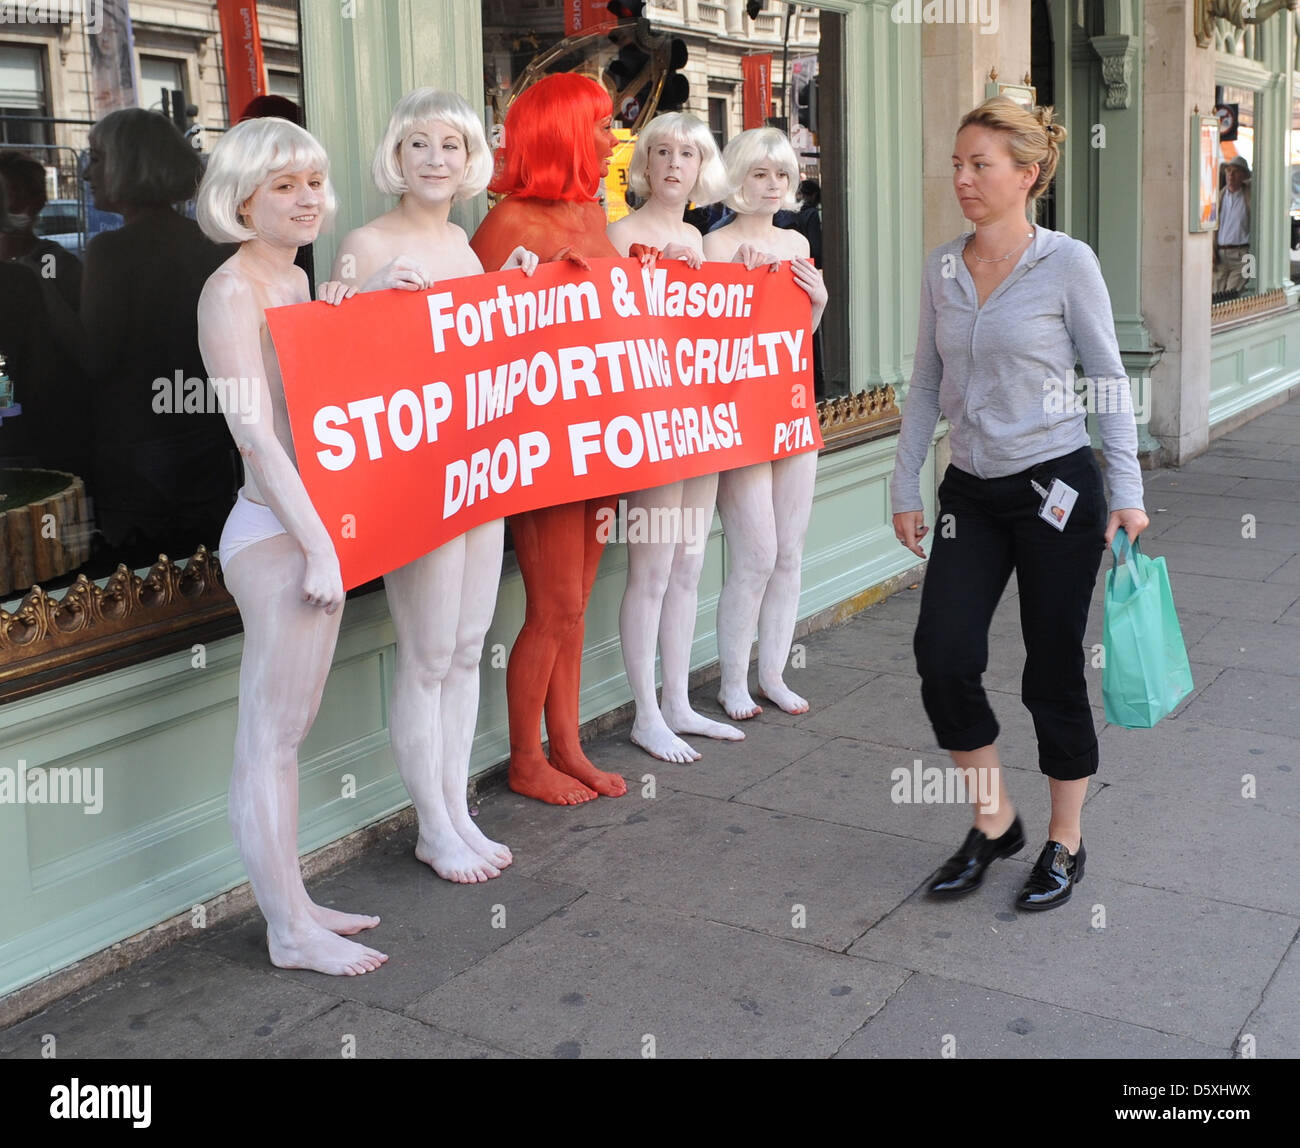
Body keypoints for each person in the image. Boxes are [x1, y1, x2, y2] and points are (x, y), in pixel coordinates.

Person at [890, 97, 1148, 911]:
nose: (962, 178)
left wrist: (1128, 487)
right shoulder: (941, 266)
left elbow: (1106, 376)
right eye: (958, 164)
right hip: (970, 484)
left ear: (1028, 175)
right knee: (944, 653)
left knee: (1051, 664)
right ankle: (994, 821)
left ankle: (1065, 841)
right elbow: (929, 382)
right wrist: (906, 485)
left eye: (981, 165)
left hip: (1056, 486)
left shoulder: (1067, 262)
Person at [196, 116, 387, 976]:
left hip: (310, 527)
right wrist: (318, 547)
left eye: (313, 180)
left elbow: (318, 408)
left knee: (290, 731)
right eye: (285, 185)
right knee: (269, 737)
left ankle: (295, 901)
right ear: (242, 199)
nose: (309, 198)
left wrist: (345, 318)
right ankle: (283, 928)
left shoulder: (300, 279)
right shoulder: (232, 289)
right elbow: (254, 434)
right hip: (276, 529)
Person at [331, 88, 537, 880]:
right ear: (396, 155)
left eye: (450, 145)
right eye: (420, 144)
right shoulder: (362, 240)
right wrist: (371, 297)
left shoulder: (464, 242)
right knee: (425, 653)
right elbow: (335, 367)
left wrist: (510, 287)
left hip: (478, 471)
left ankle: (454, 808)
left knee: (463, 646)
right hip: (414, 479)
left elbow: (478, 361)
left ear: (469, 159)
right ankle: (432, 823)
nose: (436, 159)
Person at [469, 73, 628, 805]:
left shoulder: (593, 212)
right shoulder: (506, 224)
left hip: (600, 436)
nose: (612, 136)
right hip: (540, 447)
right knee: (554, 604)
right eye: (600, 125)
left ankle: (566, 744)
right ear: (563, 132)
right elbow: (463, 346)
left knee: (576, 602)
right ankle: (525, 758)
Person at [606, 112, 740, 762]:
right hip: (652, 424)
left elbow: (719, 334)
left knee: (688, 564)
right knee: (653, 570)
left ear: (699, 167)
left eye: (686, 152)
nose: (672, 162)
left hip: (699, 419)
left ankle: (679, 699)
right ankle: (646, 711)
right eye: (660, 151)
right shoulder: (618, 234)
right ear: (644, 164)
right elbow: (605, 335)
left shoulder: (697, 233)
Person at [702, 127, 827, 720]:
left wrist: (820, 304)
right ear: (736, 178)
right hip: (739, 417)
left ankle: (772, 673)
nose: (772, 185)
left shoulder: (797, 247)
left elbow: (792, 342)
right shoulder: (713, 247)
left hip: (793, 408)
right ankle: (732, 680)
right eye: (759, 173)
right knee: (755, 552)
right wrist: (735, 289)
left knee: (790, 552)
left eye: (781, 174)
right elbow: (705, 352)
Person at [81, 108, 237, 570]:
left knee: (146, 577)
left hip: (136, 454)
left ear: (129, 163)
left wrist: (44, 300)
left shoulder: (111, 251)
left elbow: (95, 358)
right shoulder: (212, 244)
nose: (87, 172)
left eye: (96, 157)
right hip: (208, 436)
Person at [1214, 155, 1251, 295]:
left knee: (1232, 296)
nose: (1231, 175)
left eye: (1236, 171)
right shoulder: (1220, 197)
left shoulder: (1249, 195)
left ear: (1244, 176)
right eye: (1229, 171)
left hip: (1242, 255)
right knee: (1215, 296)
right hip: (1220, 255)